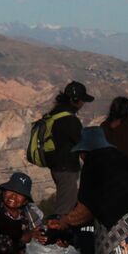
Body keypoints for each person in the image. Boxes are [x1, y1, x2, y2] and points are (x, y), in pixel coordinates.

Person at [39, 81, 93, 217]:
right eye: (82, 100)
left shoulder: (55, 114)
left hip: (57, 167)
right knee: (65, 210)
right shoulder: (69, 120)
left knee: (66, 204)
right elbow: (82, 145)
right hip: (66, 169)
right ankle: (59, 234)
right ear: (75, 100)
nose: (82, 104)